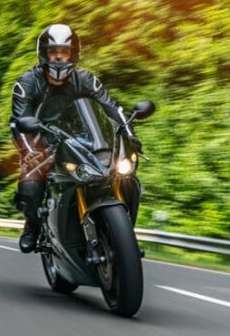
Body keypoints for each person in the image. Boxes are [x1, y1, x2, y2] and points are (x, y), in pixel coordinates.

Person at [10, 24, 141, 253]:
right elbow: (18, 121)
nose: (59, 56)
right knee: (31, 188)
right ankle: (32, 225)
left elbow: (111, 107)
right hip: (43, 144)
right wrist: (29, 150)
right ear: (44, 53)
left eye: (65, 51)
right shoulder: (27, 82)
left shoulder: (86, 79)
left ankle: (123, 235)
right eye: (53, 51)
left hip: (84, 140)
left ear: (74, 53)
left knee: (125, 175)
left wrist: (129, 134)